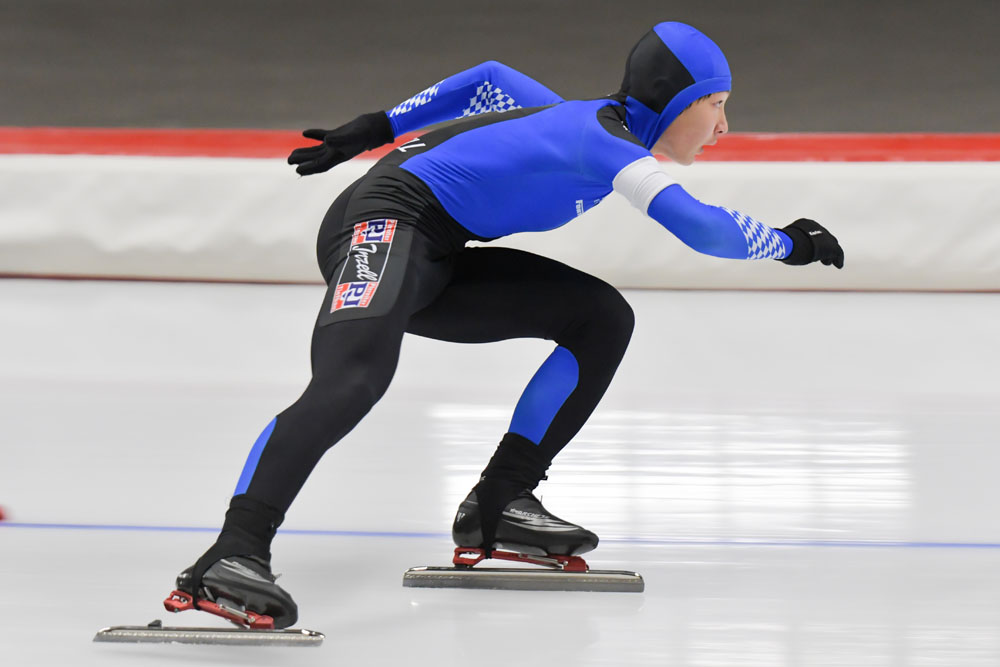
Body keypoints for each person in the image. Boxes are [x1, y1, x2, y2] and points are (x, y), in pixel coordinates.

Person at [174, 21, 844, 628]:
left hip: (436, 254)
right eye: (717, 105)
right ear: (675, 101)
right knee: (353, 378)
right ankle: (232, 554)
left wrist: (382, 124)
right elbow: (703, 230)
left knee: (600, 318)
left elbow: (489, 81)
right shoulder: (603, 143)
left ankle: (500, 504)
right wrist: (793, 242)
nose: (724, 127)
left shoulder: (571, 120)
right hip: (381, 222)